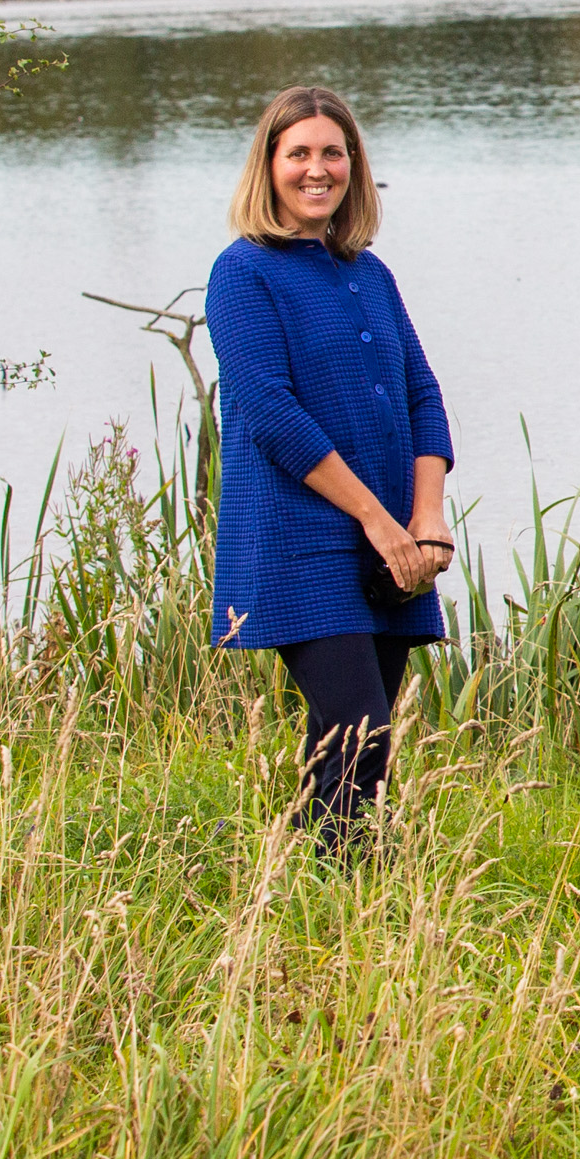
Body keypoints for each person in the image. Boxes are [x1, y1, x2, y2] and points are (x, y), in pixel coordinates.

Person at [206, 84, 455, 855]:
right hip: (301, 538)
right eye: (299, 154)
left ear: (354, 164)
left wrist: (427, 515)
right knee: (360, 734)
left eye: (333, 153)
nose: (318, 170)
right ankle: (354, 902)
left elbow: (421, 391)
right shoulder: (243, 273)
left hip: (390, 543)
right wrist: (378, 521)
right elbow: (273, 414)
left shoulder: (368, 273)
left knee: (350, 749)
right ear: (269, 165)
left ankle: (304, 901)